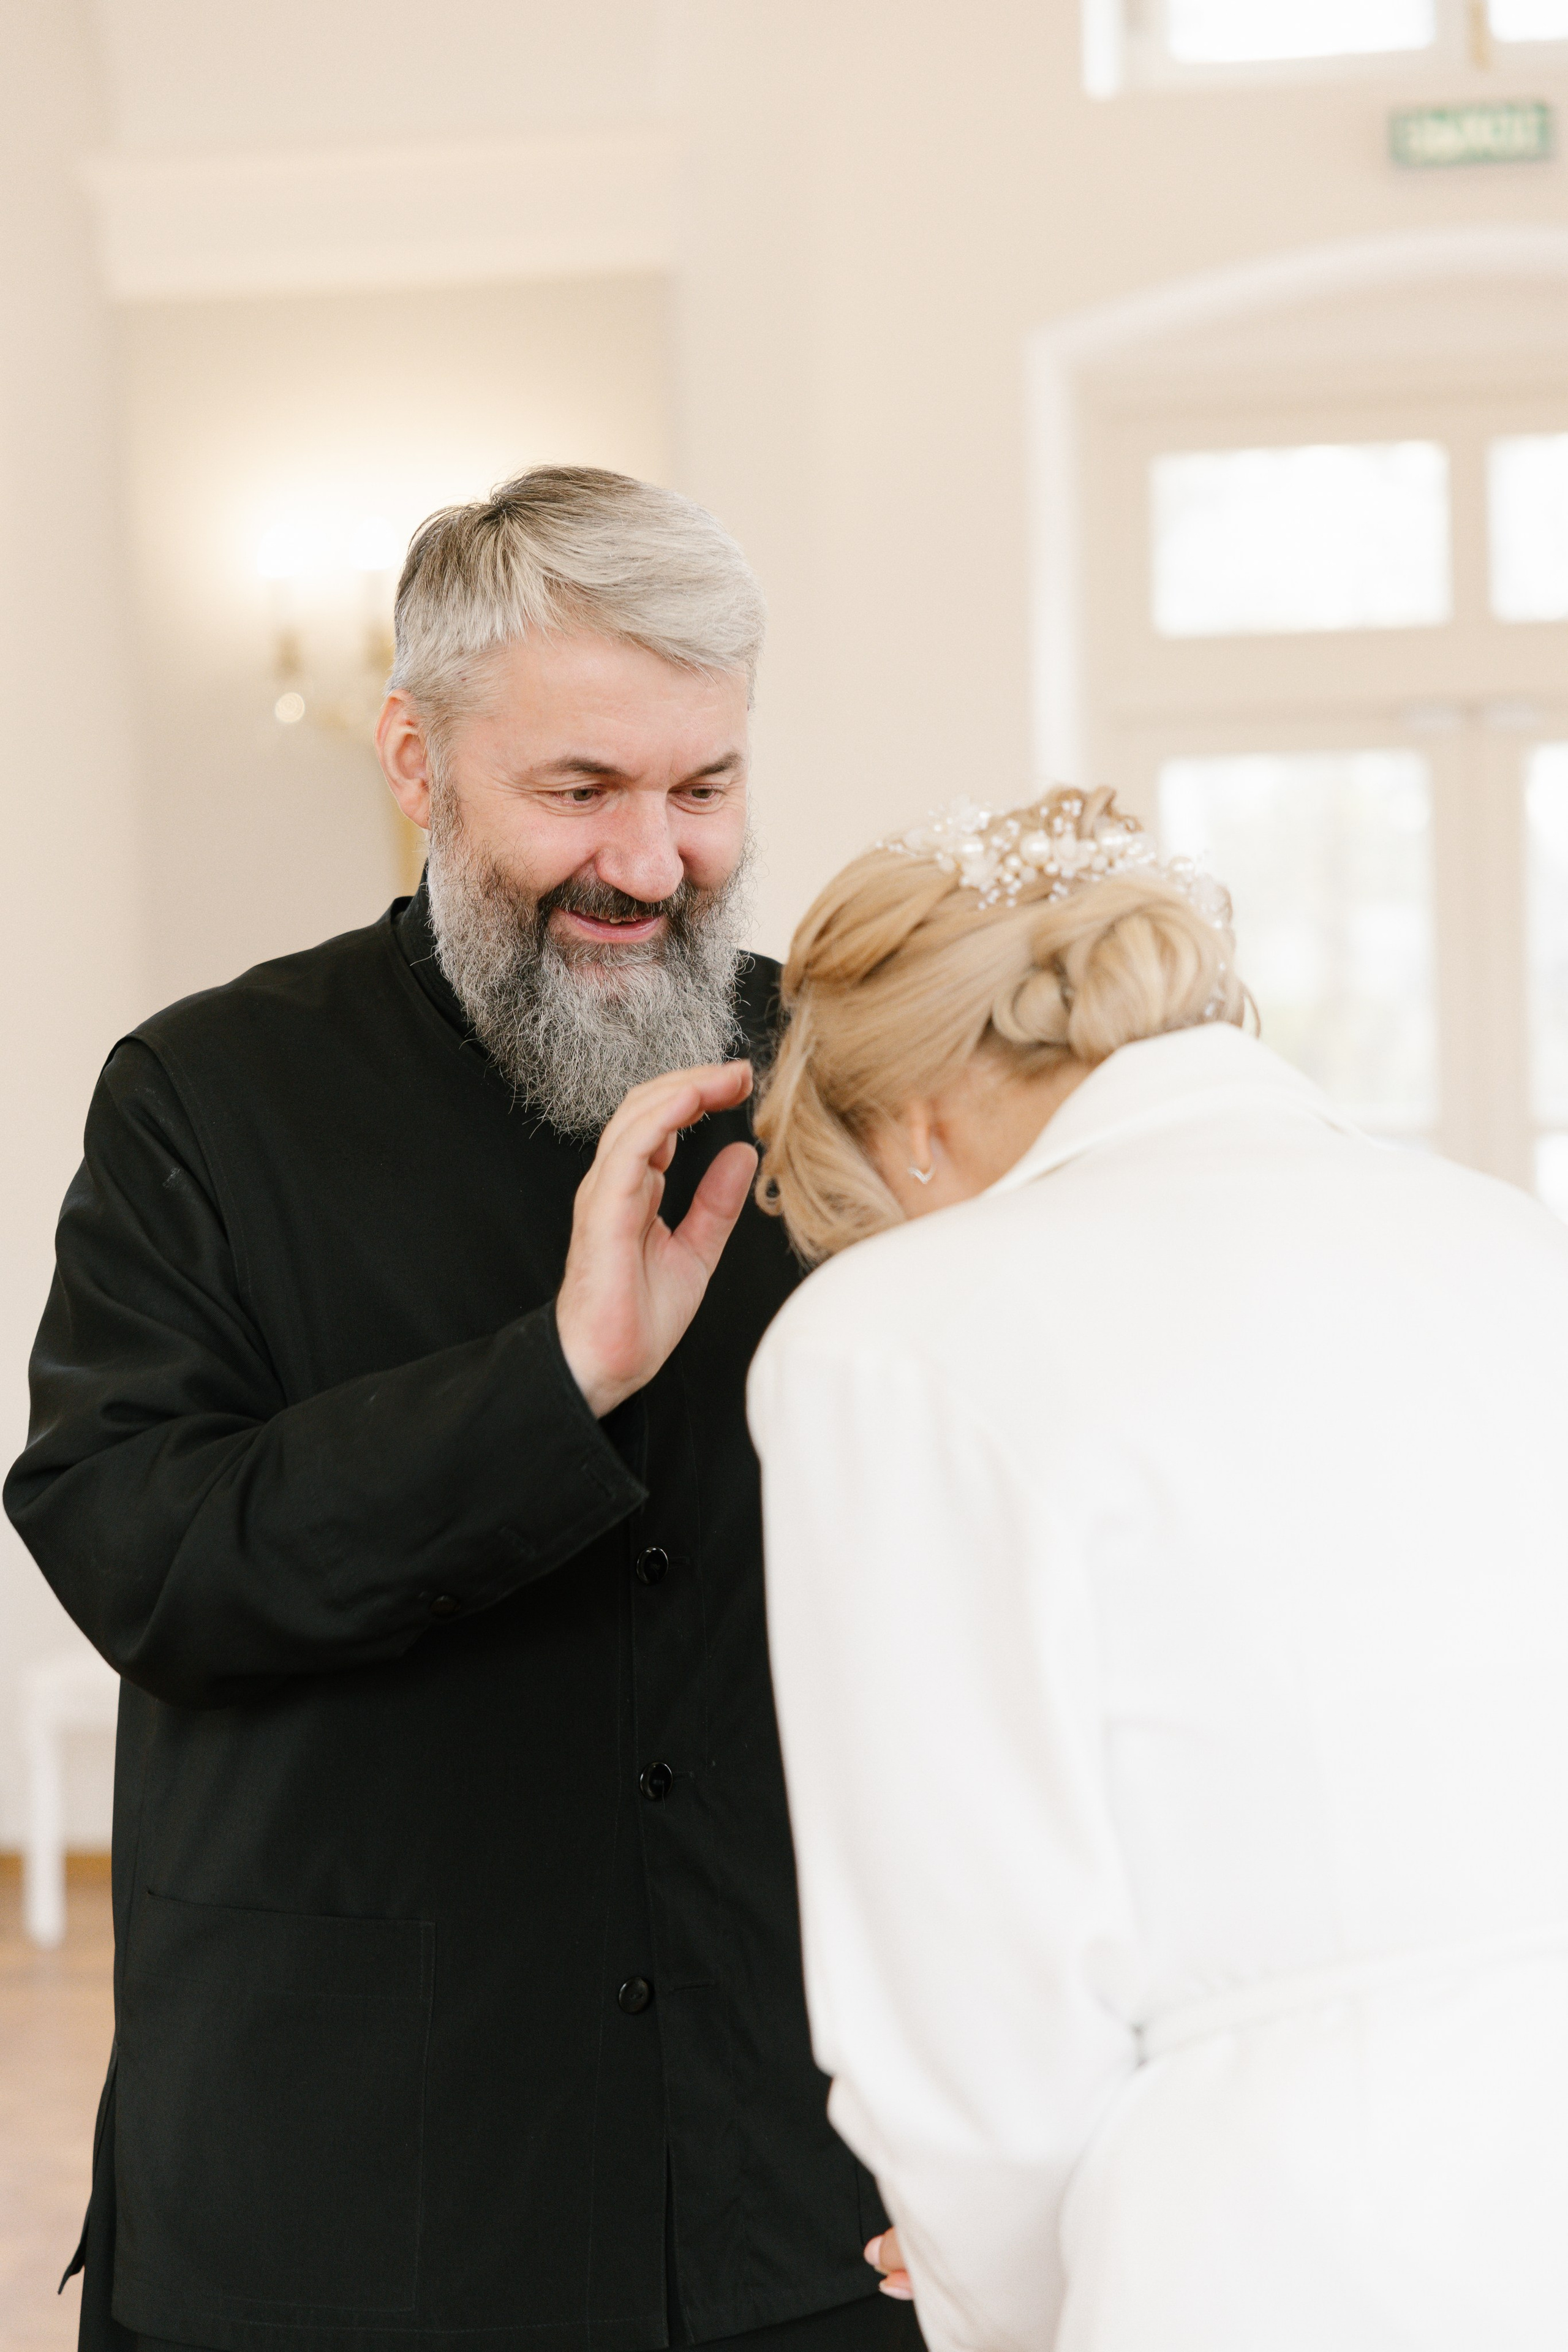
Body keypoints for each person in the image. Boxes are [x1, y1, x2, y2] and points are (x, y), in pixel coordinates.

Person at [5, 468, 918, 2352]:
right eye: (579, 792)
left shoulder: (848, 1088)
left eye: (704, 789)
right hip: (354, 2190)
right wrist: (556, 1383)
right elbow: (142, 1555)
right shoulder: (206, 1095)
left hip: (795, 2197)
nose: (654, 863)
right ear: (413, 758)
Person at [744, 785, 1568, 2352]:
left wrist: (1007, 2298)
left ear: (911, 1124)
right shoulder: (1510, 1238)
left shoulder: (890, 1339)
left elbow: (961, 2018)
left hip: (1282, 2242)